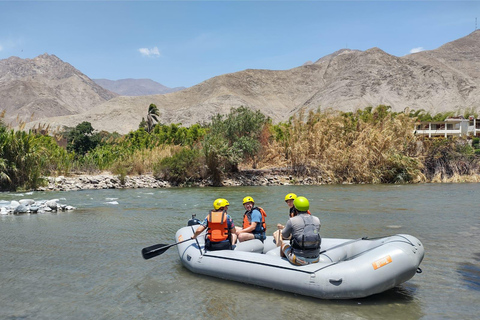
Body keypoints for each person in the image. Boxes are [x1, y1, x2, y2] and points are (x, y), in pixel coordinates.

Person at [276, 196, 321, 266]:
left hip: (299, 259)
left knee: (283, 245)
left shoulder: (292, 220)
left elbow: (284, 235)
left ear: (295, 208)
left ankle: (284, 266)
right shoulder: (317, 219)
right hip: (316, 258)